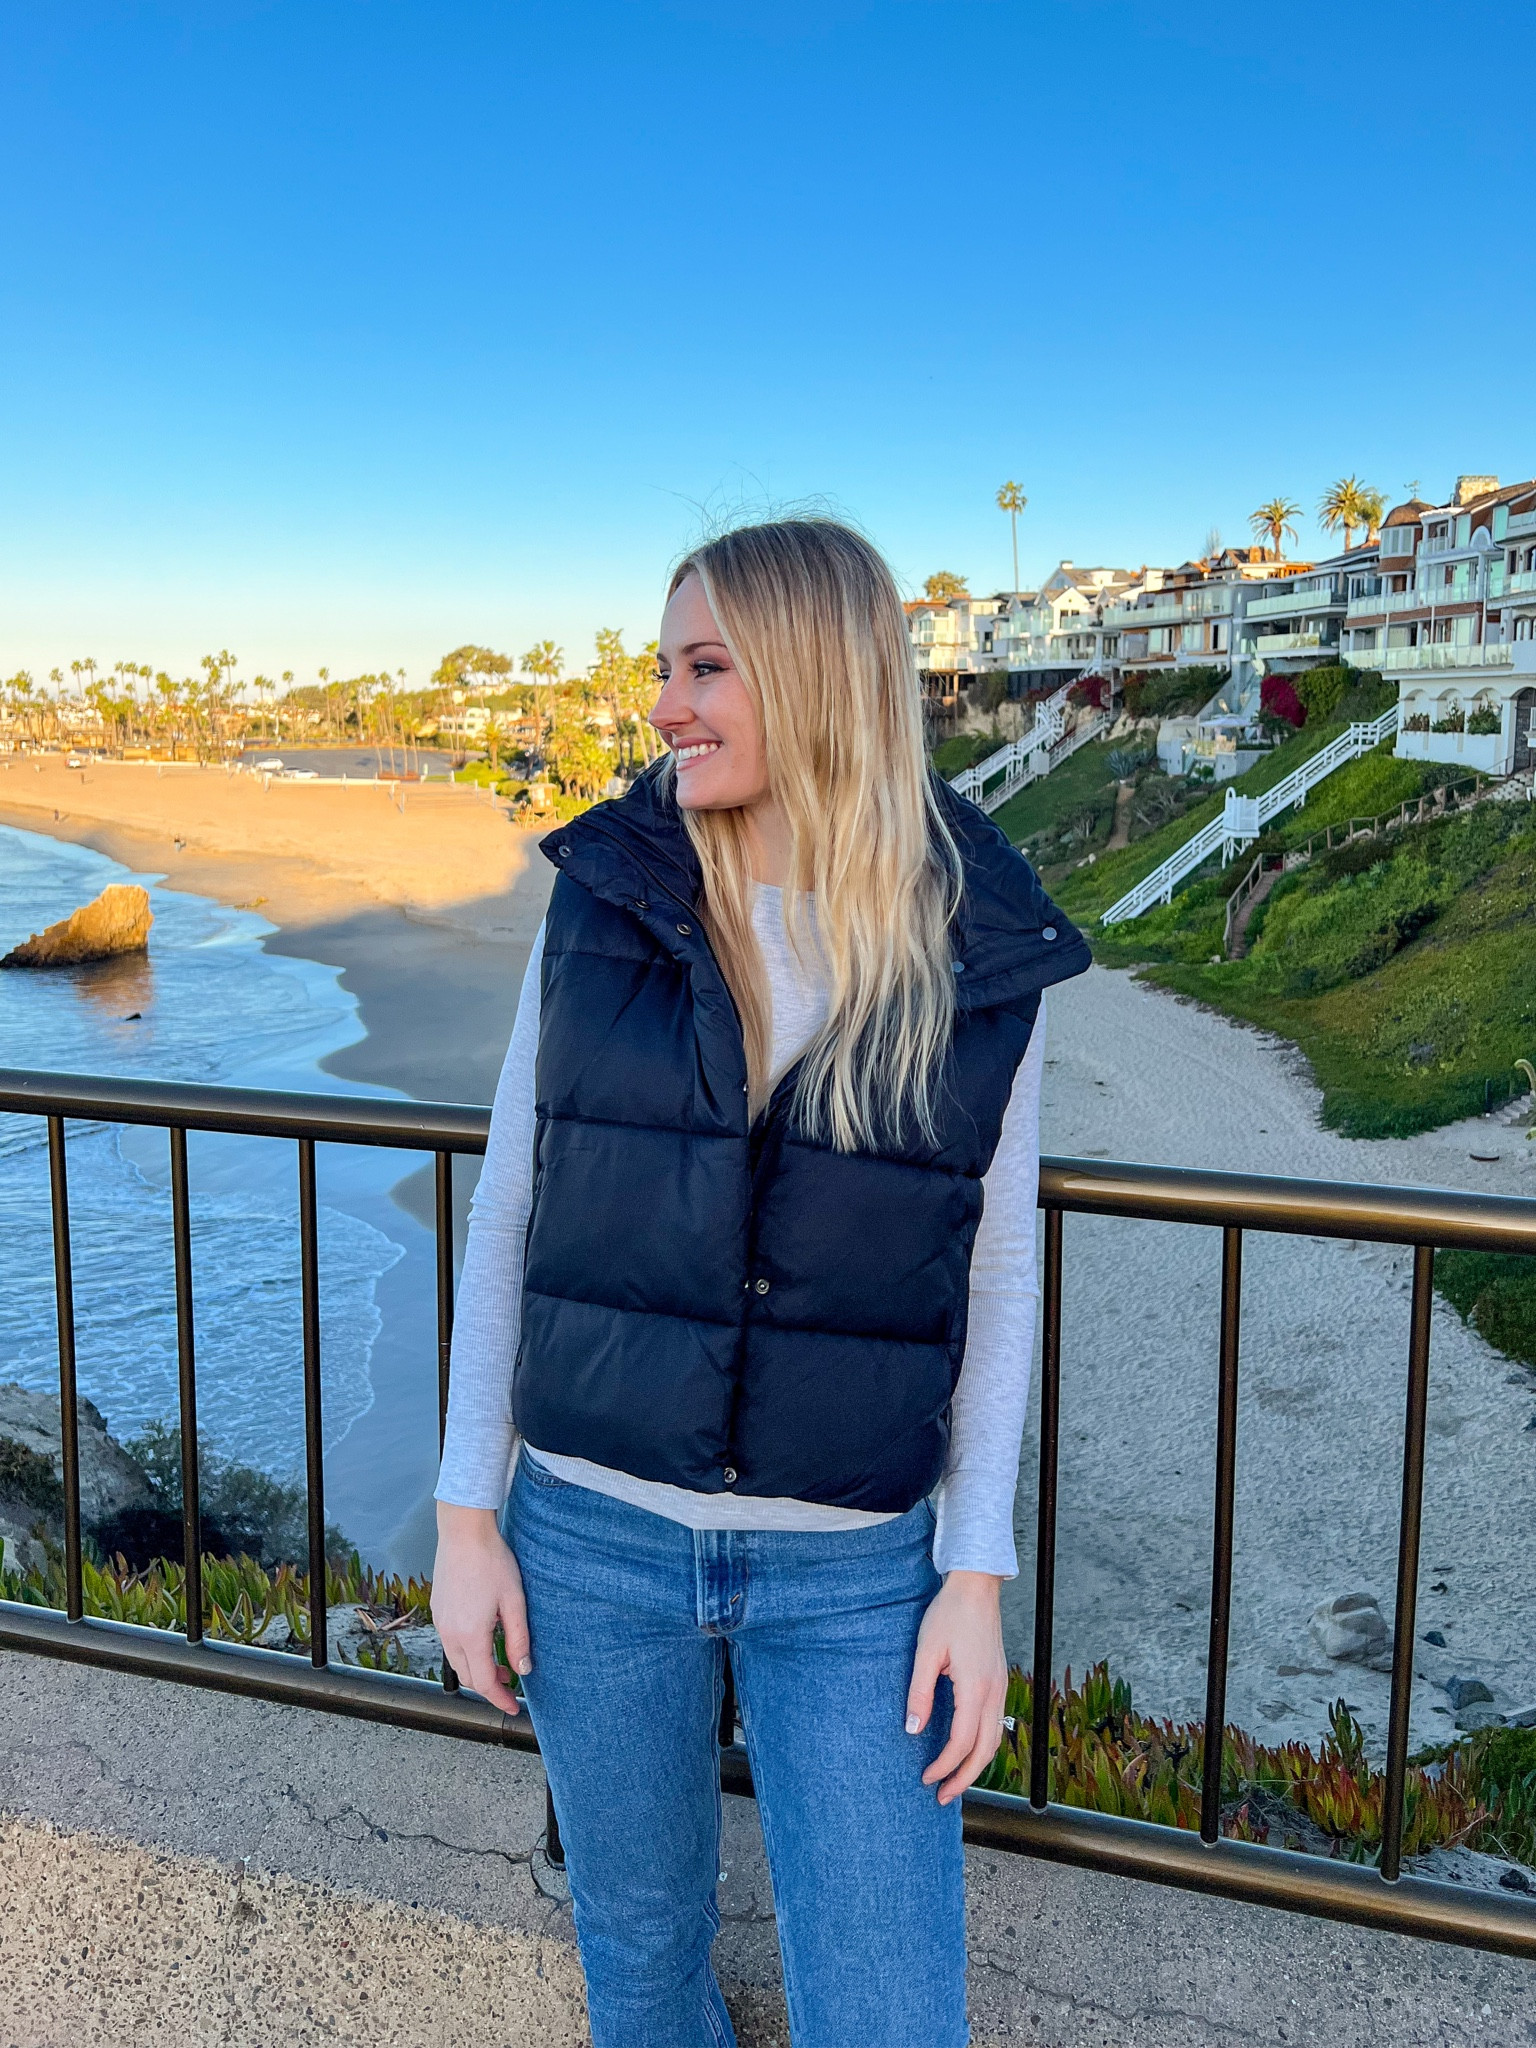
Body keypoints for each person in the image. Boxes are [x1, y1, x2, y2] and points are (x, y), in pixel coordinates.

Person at [431, 517, 1090, 2047]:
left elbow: (994, 1281)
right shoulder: (607, 894)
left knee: (888, 2013)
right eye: (667, 668)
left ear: (816, 676)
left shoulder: (981, 945)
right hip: (591, 1540)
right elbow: (513, 1205)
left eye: (705, 667)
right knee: (645, 1979)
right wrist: (470, 1516)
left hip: (857, 1576)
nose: (666, 705)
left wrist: (973, 1580)